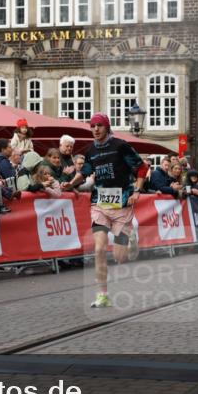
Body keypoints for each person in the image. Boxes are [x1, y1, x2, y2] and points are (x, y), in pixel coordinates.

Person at [62, 113, 147, 308]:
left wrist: (137, 190)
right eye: (92, 126)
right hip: (99, 204)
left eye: (99, 125)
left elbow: (142, 168)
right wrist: (71, 184)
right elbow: (84, 173)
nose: (95, 129)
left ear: (107, 127)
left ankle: (131, 235)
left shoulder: (120, 146)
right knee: (99, 249)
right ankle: (102, 295)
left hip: (122, 204)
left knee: (119, 257)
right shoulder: (91, 150)